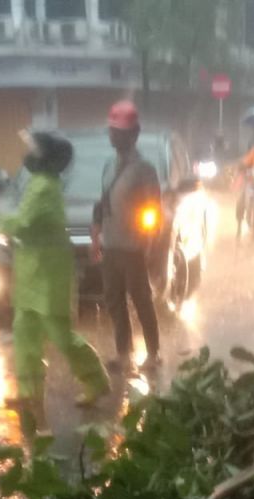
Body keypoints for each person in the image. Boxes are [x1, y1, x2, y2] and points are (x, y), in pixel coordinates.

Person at [0, 131, 109, 430]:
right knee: (24, 332)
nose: (28, 152)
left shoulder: (44, 187)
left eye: (33, 148)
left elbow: (23, 223)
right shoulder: (38, 183)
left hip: (48, 275)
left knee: (60, 335)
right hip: (31, 271)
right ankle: (29, 394)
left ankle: (96, 381)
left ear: (45, 157)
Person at [92, 100, 163, 372]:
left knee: (141, 300)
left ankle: (153, 353)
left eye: (120, 132)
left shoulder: (144, 169)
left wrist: (149, 243)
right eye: (112, 131)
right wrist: (96, 235)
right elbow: (102, 202)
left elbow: (153, 209)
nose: (114, 136)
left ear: (134, 134)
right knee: (114, 301)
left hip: (133, 248)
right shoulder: (109, 166)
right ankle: (123, 354)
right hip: (111, 245)